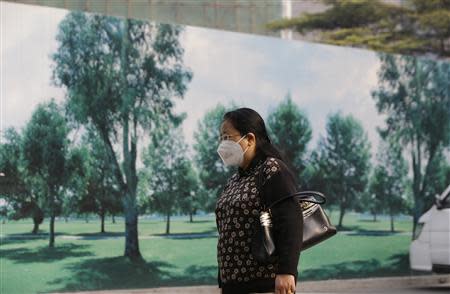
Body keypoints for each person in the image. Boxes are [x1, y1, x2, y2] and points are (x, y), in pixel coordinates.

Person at [215, 107, 303, 294]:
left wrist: (287, 271)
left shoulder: (271, 170)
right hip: (233, 285)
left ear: (250, 139)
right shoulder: (234, 180)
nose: (222, 144)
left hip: (264, 284)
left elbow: (291, 221)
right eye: (221, 138)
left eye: (227, 137)